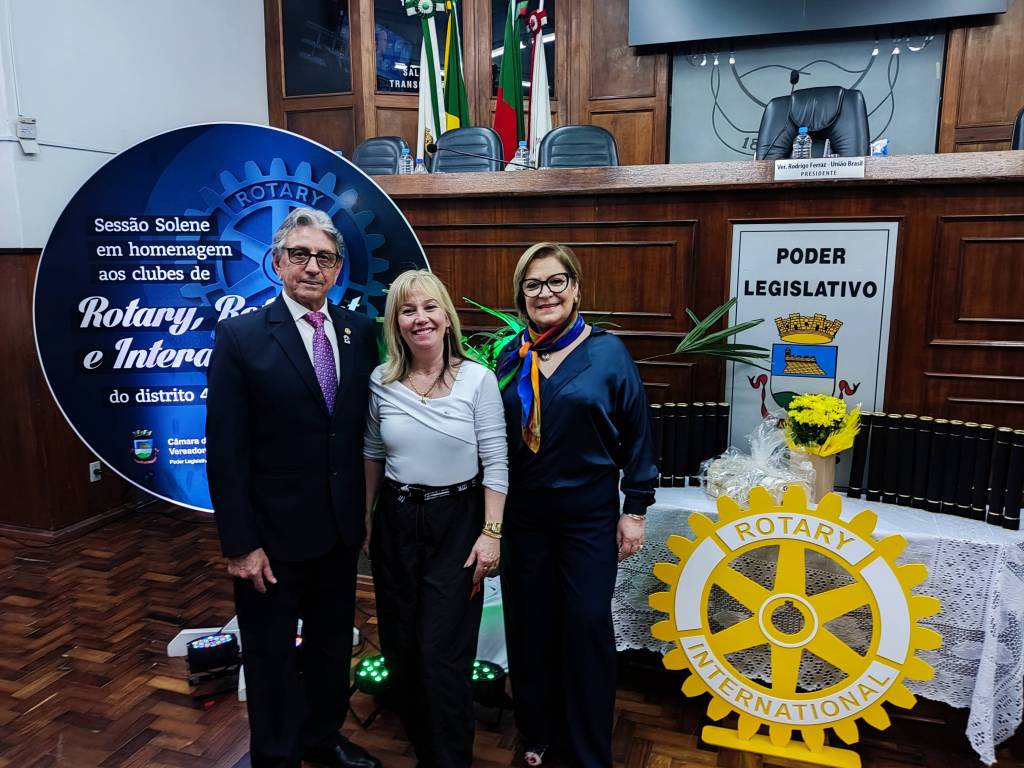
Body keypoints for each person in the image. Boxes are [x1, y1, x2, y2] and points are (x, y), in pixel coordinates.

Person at [206, 207, 381, 768]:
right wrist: (240, 544)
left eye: (324, 258)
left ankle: (322, 739)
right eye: (300, 254)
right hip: (271, 541)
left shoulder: (360, 333)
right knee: (270, 656)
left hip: (338, 533)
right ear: (278, 262)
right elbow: (225, 451)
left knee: (330, 648)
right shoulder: (240, 337)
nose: (312, 267)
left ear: (338, 269)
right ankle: (276, 755)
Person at [496, 243, 657, 767]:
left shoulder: (608, 352)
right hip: (524, 517)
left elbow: (638, 434)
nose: (545, 293)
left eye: (555, 281)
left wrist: (635, 509)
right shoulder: (510, 355)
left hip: (587, 517)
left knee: (586, 626)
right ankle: (538, 732)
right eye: (533, 284)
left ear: (576, 287)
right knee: (531, 625)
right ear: (521, 295)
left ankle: (588, 750)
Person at [363, 270, 507, 768]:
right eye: (408, 310)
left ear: (447, 317)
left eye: (429, 307)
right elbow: (372, 453)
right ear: (396, 323)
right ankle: (426, 751)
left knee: (442, 653)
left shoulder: (477, 379)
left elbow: (496, 460)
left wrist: (491, 534)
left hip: (458, 522)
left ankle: (450, 760)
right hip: (397, 520)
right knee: (402, 648)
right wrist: (366, 519)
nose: (420, 318)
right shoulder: (381, 381)